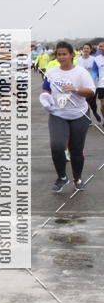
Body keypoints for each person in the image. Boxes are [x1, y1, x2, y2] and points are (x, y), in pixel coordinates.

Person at [41, 41, 95, 192]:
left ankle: (77, 178)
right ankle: (62, 178)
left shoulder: (81, 72)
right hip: (58, 114)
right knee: (57, 146)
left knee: (76, 150)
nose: (61, 57)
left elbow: (91, 92)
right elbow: (46, 90)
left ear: (71, 55)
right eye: (59, 54)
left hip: (79, 114)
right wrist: (45, 99)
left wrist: (75, 89)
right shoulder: (51, 72)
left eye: (64, 54)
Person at [75, 43, 101, 122]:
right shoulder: (77, 60)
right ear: (82, 49)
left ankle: (95, 112)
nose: (86, 50)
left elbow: (98, 71)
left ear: (90, 50)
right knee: (84, 101)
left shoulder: (94, 59)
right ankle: (87, 118)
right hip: (82, 85)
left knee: (92, 102)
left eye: (87, 48)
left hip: (93, 84)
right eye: (84, 48)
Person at [93, 40, 104, 121]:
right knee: (103, 105)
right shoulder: (96, 59)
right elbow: (94, 72)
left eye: (101, 46)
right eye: (99, 46)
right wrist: (92, 82)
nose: (99, 48)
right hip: (101, 85)